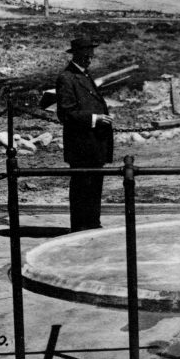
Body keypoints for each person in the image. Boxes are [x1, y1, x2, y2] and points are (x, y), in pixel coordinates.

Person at [56, 38, 114, 231]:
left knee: (94, 186)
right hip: (81, 144)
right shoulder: (67, 78)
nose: (89, 59)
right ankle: (80, 227)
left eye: (91, 55)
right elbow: (66, 113)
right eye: (86, 56)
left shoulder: (85, 75)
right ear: (76, 55)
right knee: (82, 186)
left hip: (94, 142)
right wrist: (95, 118)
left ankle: (93, 224)